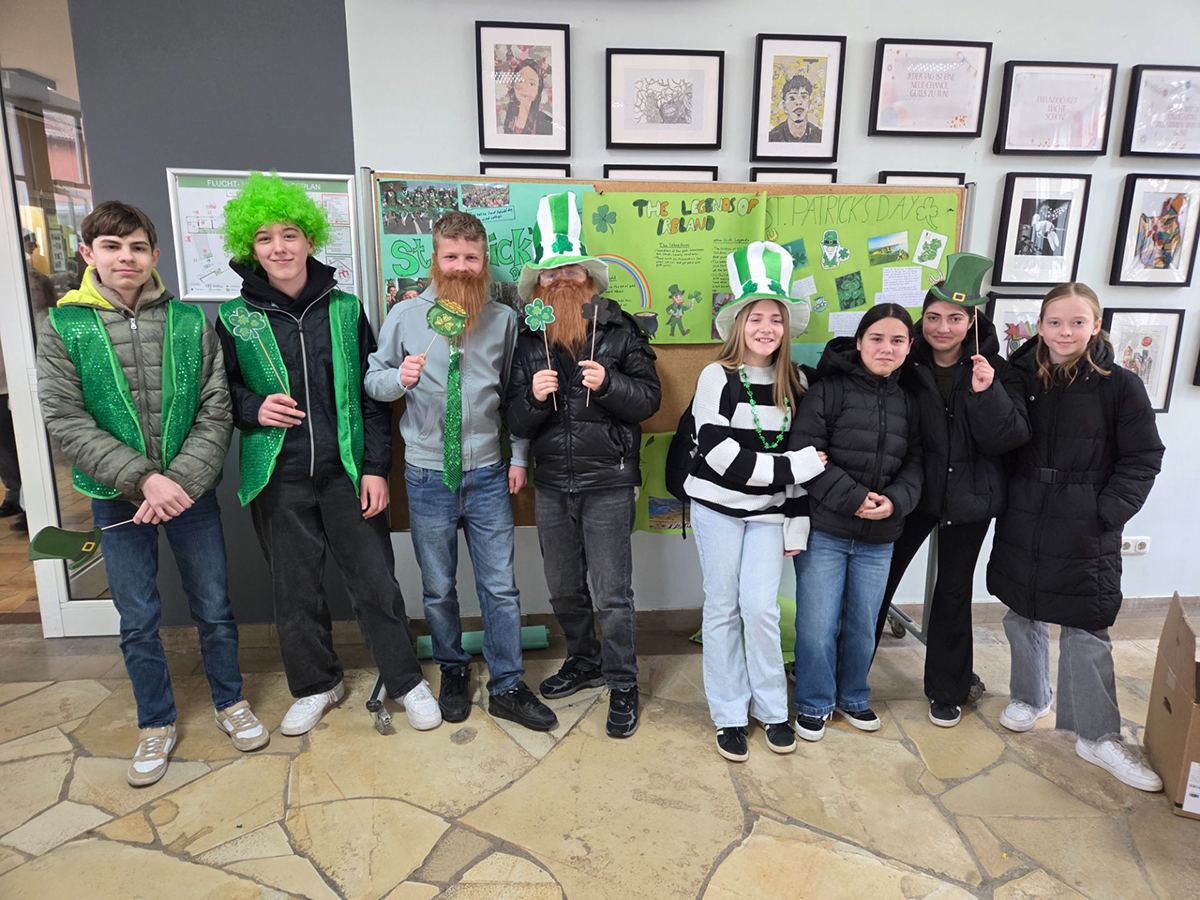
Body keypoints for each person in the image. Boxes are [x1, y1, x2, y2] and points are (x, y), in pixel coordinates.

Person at [36, 201, 266, 786]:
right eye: (112, 247)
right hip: (117, 495)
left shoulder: (189, 322)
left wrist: (177, 482)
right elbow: (66, 418)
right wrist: (143, 478)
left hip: (189, 493)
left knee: (214, 605)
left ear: (154, 255)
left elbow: (215, 408)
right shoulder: (64, 326)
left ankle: (230, 701)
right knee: (138, 615)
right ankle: (155, 721)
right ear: (87, 254)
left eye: (137, 247)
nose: (126, 258)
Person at [216, 173, 438, 737]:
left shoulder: (344, 309)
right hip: (278, 476)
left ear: (309, 240)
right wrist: (253, 408)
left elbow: (372, 395)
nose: (279, 248)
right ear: (251, 248)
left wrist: (375, 469)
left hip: (347, 473)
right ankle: (317, 684)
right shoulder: (234, 318)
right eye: (264, 238)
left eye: (289, 234)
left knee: (377, 583)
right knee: (294, 590)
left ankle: (405, 680)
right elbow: (221, 394)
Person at [365, 209, 558, 733]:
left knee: (500, 588)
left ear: (483, 260)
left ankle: (507, 684)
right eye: (451, 256)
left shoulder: (503, 320)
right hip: (428, 475)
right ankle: (452, 669)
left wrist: (520, 456)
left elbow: (516, 394)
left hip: (489, 472)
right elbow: (372, 381)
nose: (461, 267)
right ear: (436, 258)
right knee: (437, 587)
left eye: (471, 257)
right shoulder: (406, 316)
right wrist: (398, 381)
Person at [987, 283, 1164, 792]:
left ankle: (1097, 735)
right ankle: (1030, 696)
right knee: (1022, 609)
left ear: (1096, 326)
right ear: (1040, 326)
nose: (1065, 332)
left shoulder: (1120, 385)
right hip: (1025, 511)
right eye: (1055, 322)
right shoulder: (1018, 376)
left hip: (1086, 518)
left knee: (1087, 624)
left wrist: (1108, 512)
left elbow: (1143, 457)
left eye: (1077, 322)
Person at [506, 192, 662, 738]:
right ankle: (584, 659)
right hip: (551, 482)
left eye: (570, 270)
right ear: (539, 285)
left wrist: (611, 383)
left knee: (613, 594)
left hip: (608, 482)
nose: (561, 280)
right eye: (550, 273)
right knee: (564, 587)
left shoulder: (621, 330)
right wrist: (531, 396)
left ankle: (622, 681)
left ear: (589, 279)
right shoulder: (528, 337)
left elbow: (650, 401)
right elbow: (515, 419)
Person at [876, 254, 1031, 727]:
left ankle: (948, 689)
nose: (942, 328)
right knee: (877, 582)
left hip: (970, 497)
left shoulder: (997, 370)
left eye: (955, 318)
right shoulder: (905, 365)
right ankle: (844, 675)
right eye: (933, 317)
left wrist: (988, 393)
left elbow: (1009, 438)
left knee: (953, 591)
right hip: (913, 492)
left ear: (972, 322)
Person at [686, 241, 823, 761]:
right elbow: (721, 455)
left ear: (787, 327)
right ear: (739, 323)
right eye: (756, 318)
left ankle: (772, 709)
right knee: (722, 607)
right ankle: (728, 713)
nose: (766, 328)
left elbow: (799, 458)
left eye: (776, 319)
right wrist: (794, 468)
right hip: (717, 510)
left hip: (768, 515)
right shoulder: (715, 377)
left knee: (761, 609)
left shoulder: (796, 381)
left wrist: (796, 517)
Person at [789, 304, 923, 742]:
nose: (887, 348)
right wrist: (854, 498)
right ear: (860, 341)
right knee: (817, 625)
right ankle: (814, 702)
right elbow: (805, 454)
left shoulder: (909, 399)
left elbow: (917, 463)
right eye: (877, 338)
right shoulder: (828, 391)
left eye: (897, 340)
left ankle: (853, 697)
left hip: (880, 537)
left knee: (864, 625)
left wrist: (895, 501)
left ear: (909, 347)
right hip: (826, 531)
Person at [502, 58, 553, 136]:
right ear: (513, 84)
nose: (524, 88)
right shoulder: (503, 114)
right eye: (520, 81)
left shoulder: (546, 122)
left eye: (531, 84)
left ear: (538, 89)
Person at [0, 342, 22, 527]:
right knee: (3, 452)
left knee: (14, 448)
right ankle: (14, 495)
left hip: (9, 388)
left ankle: (27, 503)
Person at [768, 74, 823, 143]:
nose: (799, 102)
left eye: (803, 97)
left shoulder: (820, 136)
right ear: (784, 105)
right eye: (792, 98)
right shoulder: (773, 137)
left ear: (810, 104)